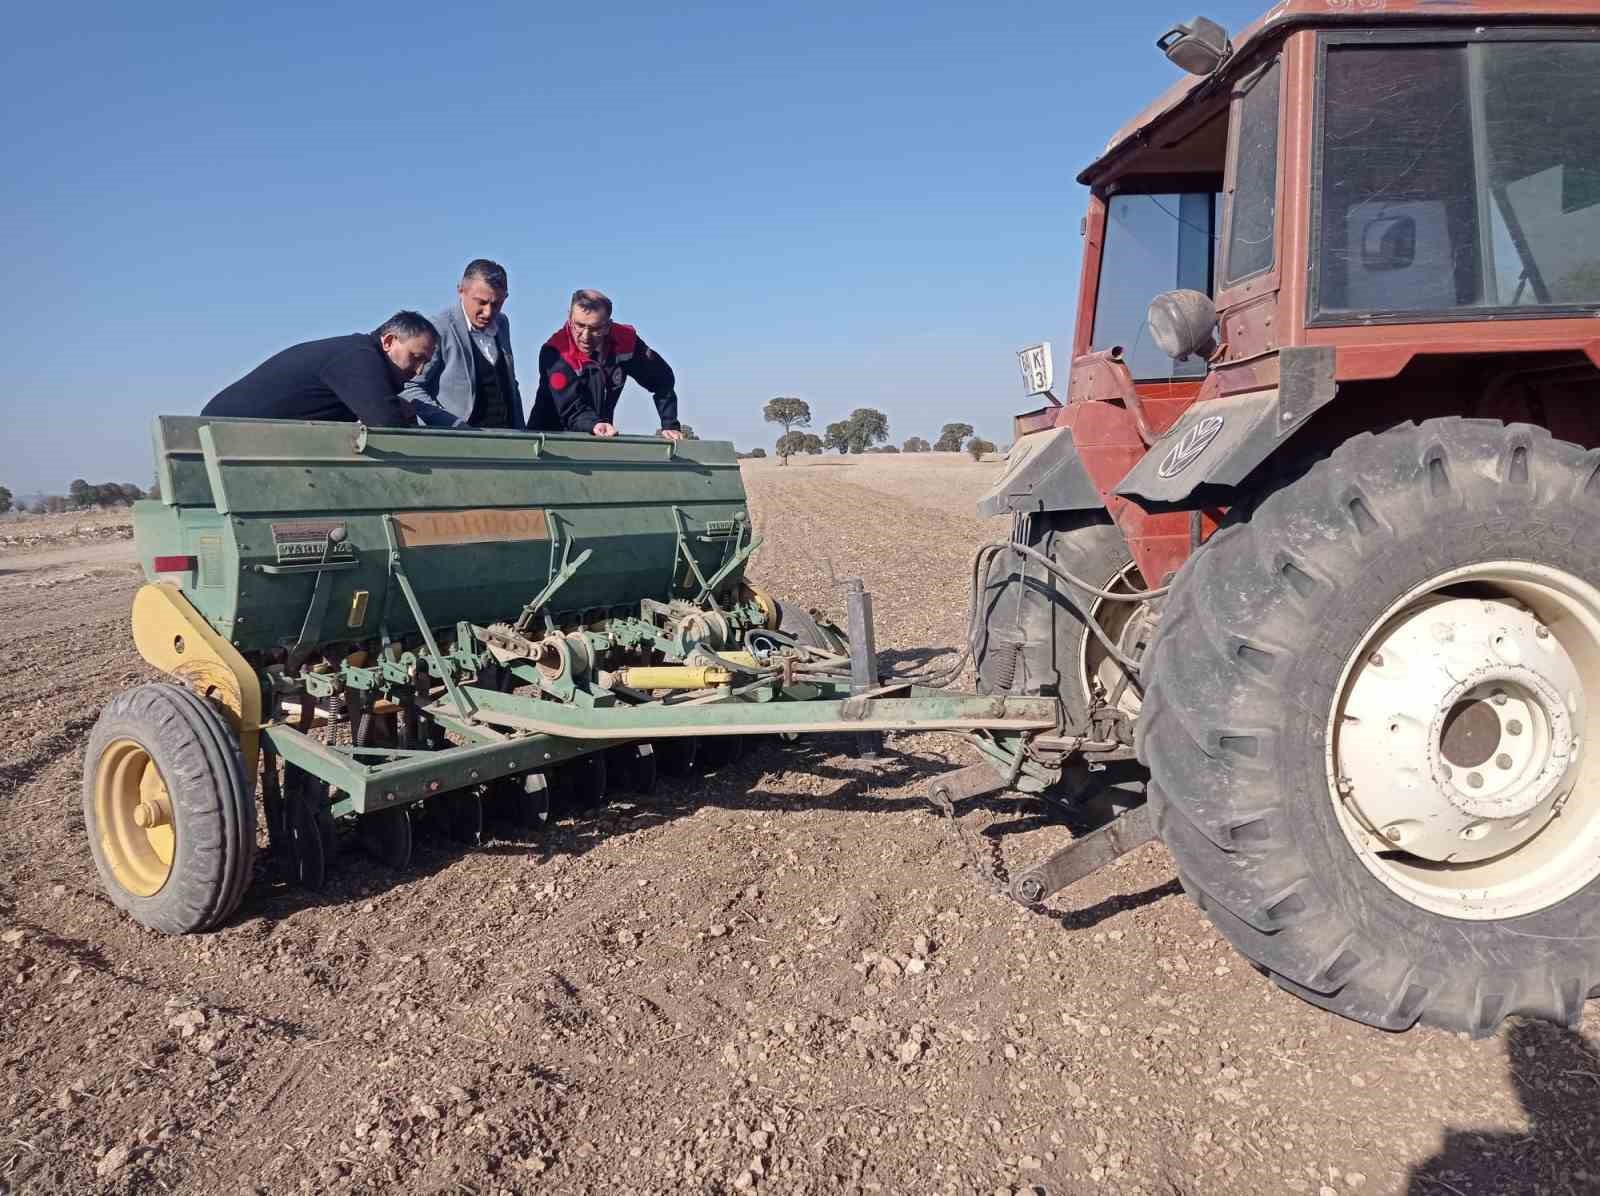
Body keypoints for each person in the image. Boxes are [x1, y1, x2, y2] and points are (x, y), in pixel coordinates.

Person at [202, 312, 436, 427]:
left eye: (425, 362)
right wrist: (399, 412)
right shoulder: (358, 359)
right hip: (220, 434)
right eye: (415, 358)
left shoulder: (357, 354)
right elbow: (387, 425)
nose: (418, 371)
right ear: (388, 341)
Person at [530, 290, 682, 438]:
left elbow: (663, 380)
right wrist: (595, 425)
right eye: (579, 325)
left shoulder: (625, 342)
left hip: (599, 436)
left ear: (608, 325)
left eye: (595, 328)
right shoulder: (555, 353)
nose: (585, 336)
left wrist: (670, 425)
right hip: (549, 442)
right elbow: (571, 409)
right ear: (569, 317)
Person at [402, 259, 527, 429]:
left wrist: (521, 431)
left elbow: (510, 382)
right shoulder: (438, 328)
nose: (488, 312)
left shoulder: (503, 323)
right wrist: (452, 425)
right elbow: (410, 387)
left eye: (497, 304)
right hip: (459, 446)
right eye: (481, 302)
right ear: (461, 291)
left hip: (508, 441)